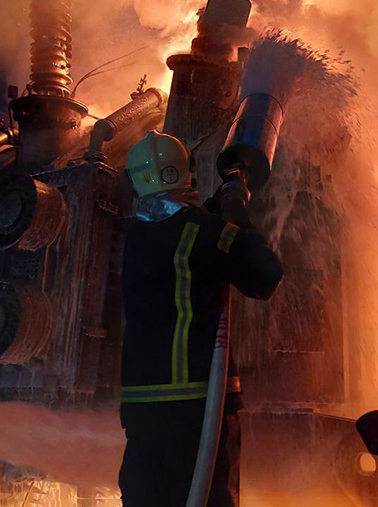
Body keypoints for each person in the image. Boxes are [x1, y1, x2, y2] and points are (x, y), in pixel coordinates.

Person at [119, 131, 283, 507]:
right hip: (198, 408)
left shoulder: (137, 236)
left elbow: (185, 227)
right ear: (187, 171)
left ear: (135, 180)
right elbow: (266, 275)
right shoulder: (204, 233)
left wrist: (219, 201)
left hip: (144, 409)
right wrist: (237, 208)